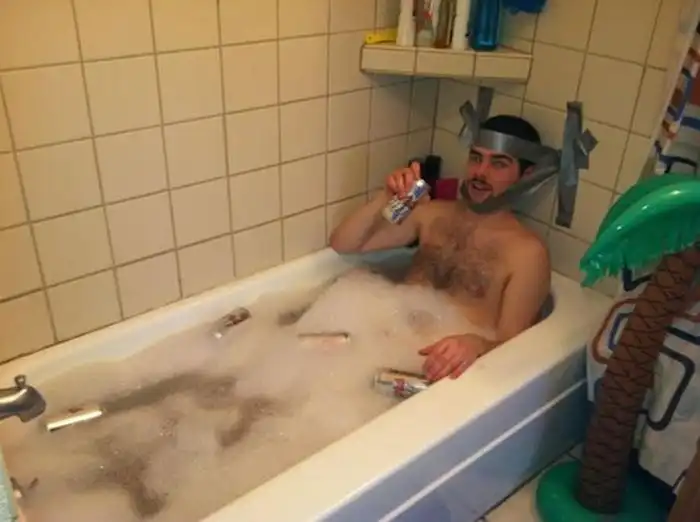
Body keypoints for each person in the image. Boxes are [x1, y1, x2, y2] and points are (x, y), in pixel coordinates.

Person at [329, 115, 551, 382]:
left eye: (499, 164)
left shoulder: (527, 253)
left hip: (441, 372)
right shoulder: (431, 214)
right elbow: (346, 243)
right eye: (476, 158)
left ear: (526, 176)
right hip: (384, 345)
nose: (480, 172)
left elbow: (515, 346)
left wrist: (477, 344)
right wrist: (385, 198)